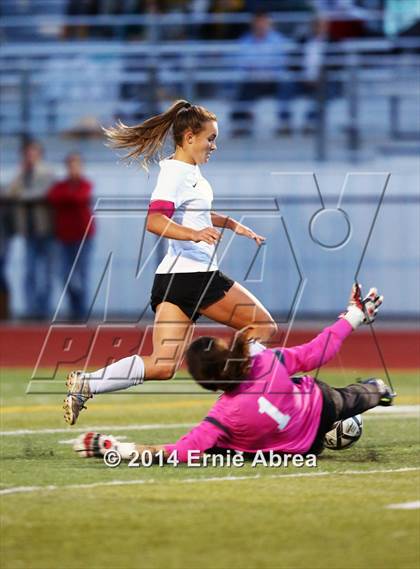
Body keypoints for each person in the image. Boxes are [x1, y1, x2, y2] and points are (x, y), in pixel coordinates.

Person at [63, 99, 278, 425]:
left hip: (173, 280)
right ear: (189, 137)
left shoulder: (189, 173)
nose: (214, 146)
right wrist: (193, 235)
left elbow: (193, 214)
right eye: (210, 138)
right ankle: (234, 391)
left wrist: (231, 224)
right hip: (196, 276)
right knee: (263, 327)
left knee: (163, 365)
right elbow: (154, 221)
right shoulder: (175, 174)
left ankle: (87, 383)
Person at [75, 284, 396, 462]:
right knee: (344, 398)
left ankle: (368, 393)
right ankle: (375, 391)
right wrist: (355, 315)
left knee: (215, 449)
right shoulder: (264, 359)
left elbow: (177, 453)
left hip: (302, 446)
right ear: (224, 350)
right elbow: (317, 352)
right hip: (318, 405)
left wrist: (118, 448)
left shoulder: (222, 415)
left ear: (211, 386)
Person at [8, 139, 55, 319]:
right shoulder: (21, 173)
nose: (29, 157)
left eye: (32, 153)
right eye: (27, 153)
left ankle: (44, 310)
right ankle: (31, 309)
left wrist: (21, 194)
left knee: (46, 272)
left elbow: (43, 193)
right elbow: (10, 192)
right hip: (29, 231)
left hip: (46, 230)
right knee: (29, 271)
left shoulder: (46, 172)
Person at [229, 11, 294, 137]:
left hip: (273, 79)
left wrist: (267, 71)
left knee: (286, 85)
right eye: (258, 23)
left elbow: (282, 63)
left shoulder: (278, 40)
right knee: (242, 88)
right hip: (253, 80)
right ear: (253, 24)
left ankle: (284, 123)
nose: (261, 26)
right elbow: (240, 64)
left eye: (264, 23)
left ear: (269, 24)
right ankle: (240, 125)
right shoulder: (244, 41)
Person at [48, 153, 95, 320]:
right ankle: (74, 308)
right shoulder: (60, 185)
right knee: (64, 275)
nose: (73, 169)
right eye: (71, 165)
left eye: (76, 165)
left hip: (83, 236)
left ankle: (81, 312)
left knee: (82, 275)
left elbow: (80, 197)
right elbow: (53, 197)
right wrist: (69, 198)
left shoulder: (85, 184)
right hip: (64, 236)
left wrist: (67, 199)